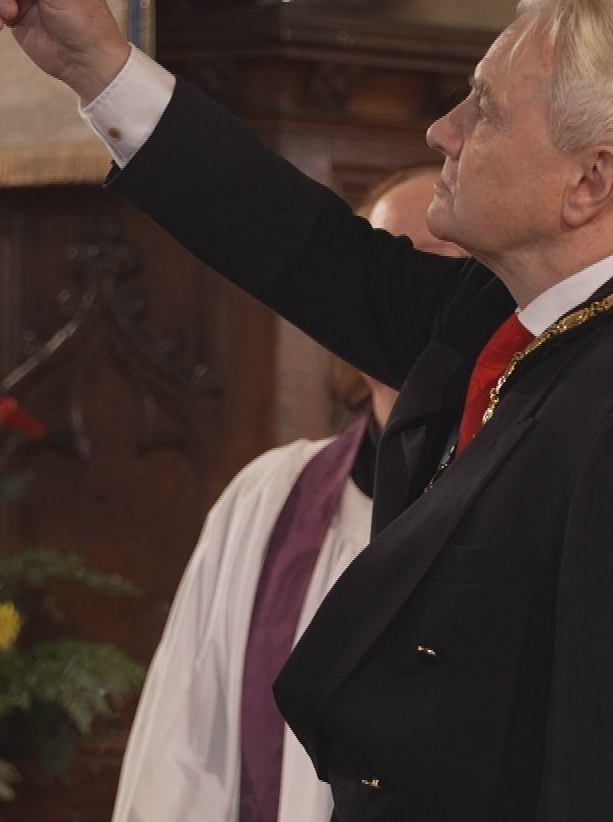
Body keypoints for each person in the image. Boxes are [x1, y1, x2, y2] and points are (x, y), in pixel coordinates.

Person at [0, 0, 613, 819]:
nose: (441, 130)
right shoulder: (517, 310)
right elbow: (304, 246)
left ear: (590, 182)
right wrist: (99, 61)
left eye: (484, 108)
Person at [112, 167, 465, 822]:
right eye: (389, 268)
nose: (406, 299)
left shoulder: (520, 494)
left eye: (441, 270)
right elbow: (185, 755)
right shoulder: (270, 502)